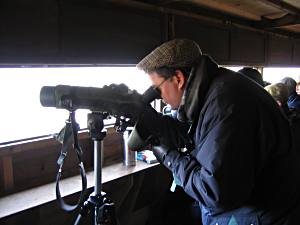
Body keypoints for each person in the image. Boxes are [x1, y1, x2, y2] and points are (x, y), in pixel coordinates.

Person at [129, 39, 300, 225]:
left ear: (178, 79)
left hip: (264, 214)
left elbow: (215, 195)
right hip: (257, 208)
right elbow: (201, 136)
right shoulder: (215, 89)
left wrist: (168, 155)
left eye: (157, 89)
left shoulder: (225, 104)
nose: (159, 97)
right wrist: (158, 124)